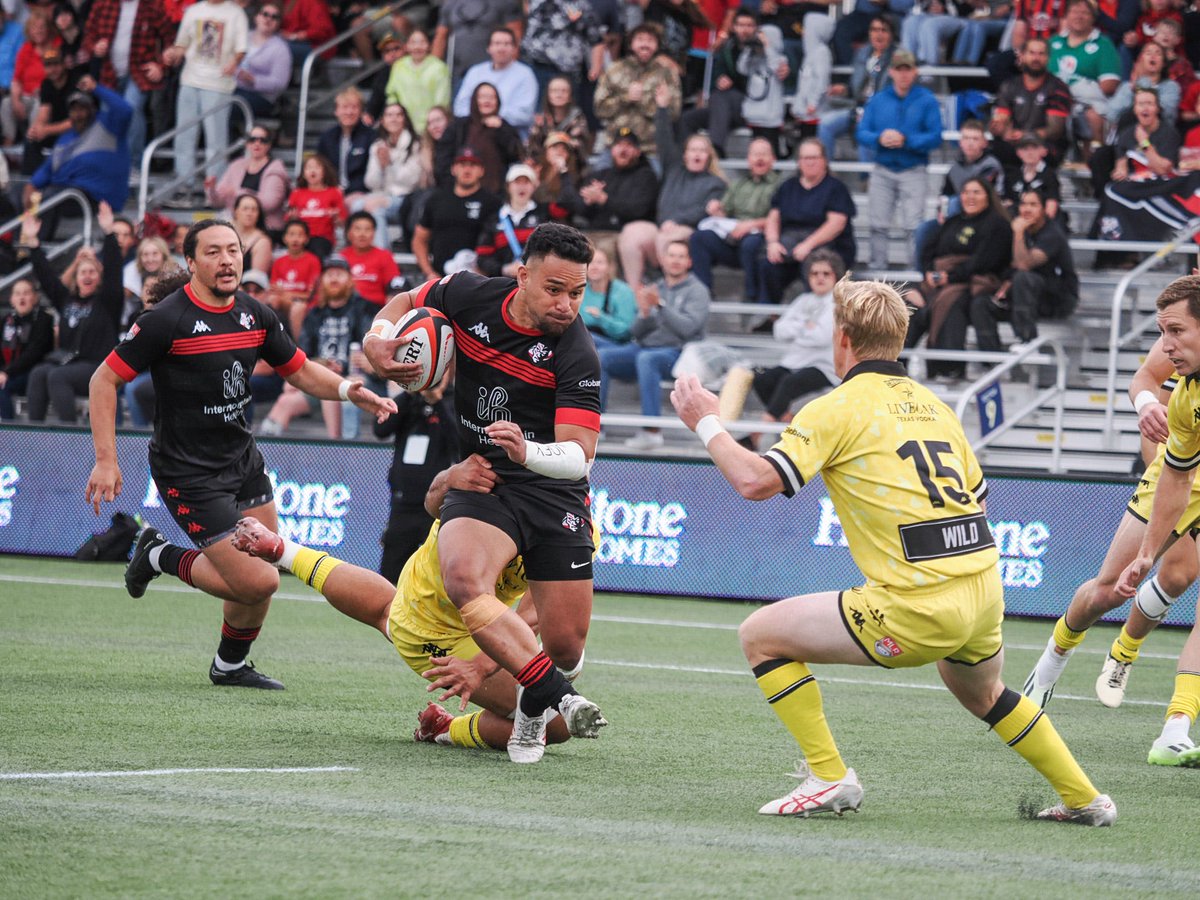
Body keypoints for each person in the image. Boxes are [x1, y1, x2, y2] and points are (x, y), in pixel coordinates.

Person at [668, 276, 1116, 825]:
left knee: (759, 635)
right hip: (982, 594)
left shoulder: (835, 407)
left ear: (843, 340)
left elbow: (757, 482)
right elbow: (976, 497)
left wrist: (705, 421)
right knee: (986, 694)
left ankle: (828, 775)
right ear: (899, 339)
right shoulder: (937, 407)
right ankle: (1085, 798)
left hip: (917, 605)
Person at [85, 219, 396, 690]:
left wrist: (350, 390)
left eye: (233, 249)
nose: (227, 260)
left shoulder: (254, 313)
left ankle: (230, 665)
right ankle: (159, 555)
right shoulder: (164, 320)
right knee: (260, 581)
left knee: (264, 564)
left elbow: (298, 370)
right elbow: (102, 380)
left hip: (241, 459)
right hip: (187, 472)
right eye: (213, 252)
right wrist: (107, 459)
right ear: (191, 263)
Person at [362, 223, 607, 764]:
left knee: (565, 644)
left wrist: (528, 451)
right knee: (463, 578)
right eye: (554, 290)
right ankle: (554, 693)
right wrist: (376, 340)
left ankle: (532, 697)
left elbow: (578, 455)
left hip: (554, 491)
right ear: (522, 276)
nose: (567, 304)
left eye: (578, 292)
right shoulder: (470, 293)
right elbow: (406, 298)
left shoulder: (577, 353)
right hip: (485, 476)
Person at [228, 459, 579, 752]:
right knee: (558, 722)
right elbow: (433, 498)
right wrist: (449, 476)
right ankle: (444, 729)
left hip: (434, 602)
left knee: (386, 610)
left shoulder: (574, 522)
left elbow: (535, 614)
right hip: (439, 630)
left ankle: (282, 550)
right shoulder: (487, 476)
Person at [1023, 286, 1200, 767]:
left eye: (1174, 331)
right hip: (1178, 467)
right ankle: (1047, 668)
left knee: (1181, 579)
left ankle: (1174, 725)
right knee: (1110, 589)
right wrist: (1147, 405)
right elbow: (1175, 465)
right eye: (1164, 332)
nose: (1167, 343)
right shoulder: (1183, 385)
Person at [599, 239, 711, 450]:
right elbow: (636, 333)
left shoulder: (698, 291)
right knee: (603, 356)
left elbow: (687, 329)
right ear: (662, 260)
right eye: (672, 256)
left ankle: (652, 430)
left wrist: (660, 305)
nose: (676, 261)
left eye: (681, 256)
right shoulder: (656, 287)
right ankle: (597, 426)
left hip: (679, 353)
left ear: (689, 262)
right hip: (646, 347)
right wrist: (643, 314)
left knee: (647, 359)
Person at [20, 202, 124, 423]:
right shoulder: (66, 300)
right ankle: (33, 434)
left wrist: (109, 233)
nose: (87, 275)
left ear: (99, 278)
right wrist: (33, 243)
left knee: (58, 376)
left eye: (92, 272)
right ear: (76, 278)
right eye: (82, 272)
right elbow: (47, 278)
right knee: (39, 373)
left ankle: (70, 436)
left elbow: (115, 273)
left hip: (101, 365)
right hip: (71, 362)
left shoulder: (108, 301)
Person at [617, 87, 726, 290]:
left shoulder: (716, 183)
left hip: (688, 231)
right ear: (685, 154)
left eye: (702, 151)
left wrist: (678, 221)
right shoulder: (674, 169)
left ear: (709, 156)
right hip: (662, 228)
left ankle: (669, 289)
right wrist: (662, 108)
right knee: (631, 232)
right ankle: (635, 292)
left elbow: (704, 211)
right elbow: (664, 140)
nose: (697, 154)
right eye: (693, 149)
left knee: (667, 236)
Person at [905, 177, 1013, 379]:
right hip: (939, 280)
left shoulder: (997, 225)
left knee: (950, 303)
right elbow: (929, 250)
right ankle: (895, 363)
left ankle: (947, 368)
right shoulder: (953, 221)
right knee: (908, 299)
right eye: (966, 192)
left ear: (988, 196)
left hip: (973, 282)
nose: (970, 197)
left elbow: (985, 260)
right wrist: (929, 272)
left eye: (976, 192)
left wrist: (951, 276)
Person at [259, 256, 375, 439]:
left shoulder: (364, 309)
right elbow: (304, 353)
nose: (334, 278)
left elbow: (369, 347)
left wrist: (344, 367)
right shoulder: (315, 314)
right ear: (322, 281)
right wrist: (320, 365)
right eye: (329, 274)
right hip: (321, 376)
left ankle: (335, 450)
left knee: (333, 390)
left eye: (339, 274)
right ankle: (265, 457)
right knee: (285, 401)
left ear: (350, 280)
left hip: (354, 377)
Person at [856, 49, 942, 271]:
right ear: (892, 72)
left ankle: (914, 272)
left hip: (913, 168)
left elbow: (935, 136)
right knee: (877, 224)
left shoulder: (927, 100)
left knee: (914, 225)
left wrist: (907, 140)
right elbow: (861, 132)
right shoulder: (878, 100)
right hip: (883, 168)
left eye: (908, 70)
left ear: (915, 72)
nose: (904, 75)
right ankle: (877, 269)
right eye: (899, 70)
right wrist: (880, 138)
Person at [744, 250, 842, 434]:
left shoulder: (838, 303)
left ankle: (757, 433)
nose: (820, 278)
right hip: (795, 361)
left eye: (826, 273)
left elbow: (821, 337)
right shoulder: (803, 300)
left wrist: (796, 328)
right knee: (760, 377)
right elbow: (779, 331)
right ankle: (787, 420)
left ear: (835, 276)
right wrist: (806, 325)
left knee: (789, 383)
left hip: (824, 366)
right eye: (815, 273)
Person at [374, 378, 460, 583]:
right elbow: (381, 430)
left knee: (438, 575)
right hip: (403, 501)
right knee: (390, 573)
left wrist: (437, 402)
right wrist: (410, 393)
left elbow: (459, 442)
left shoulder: (455, 400)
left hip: (438, 505)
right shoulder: (408, 401)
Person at [162, 0, 249, 204]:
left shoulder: (236, 13)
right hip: (190, 79)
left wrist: (234, 63)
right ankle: (184, 185)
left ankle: (215, 188)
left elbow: (242, 48)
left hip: (218, 83)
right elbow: (182, 44)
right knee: (184, 134)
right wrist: (173, 54)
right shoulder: (193, 10)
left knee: (215, 138)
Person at [971, 189, 1077, 352]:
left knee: (1023, 278)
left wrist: (1018, 233)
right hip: (1023, 296)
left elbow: (1023, 265)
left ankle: (1028, 341)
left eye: (1033, 204)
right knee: (981, 304)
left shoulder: (1052, 234)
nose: (1026, 209)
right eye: (1024, 204)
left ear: (1043, 209)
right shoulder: (1015, 228)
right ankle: (991, 362)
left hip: (1056, 298)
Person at [25, 80, 132, 239]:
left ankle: (34, 245)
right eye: (74, 110)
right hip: (66, 194)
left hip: (98, 199)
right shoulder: (64, 139)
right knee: (17, 195)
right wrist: (30, 188)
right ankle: (18, 250)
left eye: (83, 109)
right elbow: (44, 173)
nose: (78, 114)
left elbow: (125, 110)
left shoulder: (108, 126)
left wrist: (96, 88)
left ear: (92, 109)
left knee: (51, 196)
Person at [757, 139, 856, 305]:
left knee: (814, 262)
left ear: (824, 160)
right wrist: (773, 243)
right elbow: (773, 218)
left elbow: (836, 224)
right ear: (799, 162)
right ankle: (769, 314)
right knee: (768, 262)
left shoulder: (836, 188)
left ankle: (818, 314)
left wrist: (808, 245)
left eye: (814, 157)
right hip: (791, 243)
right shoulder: (788, 186)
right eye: (805, 158)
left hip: (829, 245)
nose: (809, 162)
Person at [689, 136, 780, 300]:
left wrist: (751, 225)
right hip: (734, 237)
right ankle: (702, 293)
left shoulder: (780, 186)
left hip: (761, 238)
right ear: (748, 159)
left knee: (750, 243)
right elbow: (725, 212)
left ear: (773, 159)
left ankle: (752, 295)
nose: (759, 158)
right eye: (755, 154)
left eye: (764, 154)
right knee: (699, 238)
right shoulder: (738, 184)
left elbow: (781, 218)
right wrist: (716, 209)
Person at [561, 127, 659, 269]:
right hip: (591, 232)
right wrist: (588, 202)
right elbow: (579, 210)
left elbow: (638, 210)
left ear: (637, 152)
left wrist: (604, 200)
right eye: (619, 145)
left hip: (620, 234)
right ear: (611, 150)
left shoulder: (645, 176)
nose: (623, 150)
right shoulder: (600, 175)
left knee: (601, 254)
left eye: (629, 146)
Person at [912, 119, 1004, 269]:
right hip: (956, 217)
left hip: (984, 217)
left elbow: (981, 197)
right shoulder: (955, 168)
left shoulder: (991, 165)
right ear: (960, 142)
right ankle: (923, 273)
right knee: (924, 228)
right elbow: (944, 195)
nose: (970, 143)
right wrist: (941, 212)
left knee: (956, 202)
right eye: (966, 138)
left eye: (975, 139)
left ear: (984, 143)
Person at [593, 23, 681, 159]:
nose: (645, 45)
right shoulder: (614, 70)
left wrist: (649, 103)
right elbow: (599, 109)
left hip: (651, 150)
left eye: (651, 40)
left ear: (657, 45)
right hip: (616, 147)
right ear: (631, 44)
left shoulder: (667, 74)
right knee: (596, 178)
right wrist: (626, 98)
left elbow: (674, 114)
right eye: (640, 40)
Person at [816, 14, 896, 163]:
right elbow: (856, 88)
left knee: (864, 128)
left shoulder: (897, 57)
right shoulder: (863, 53)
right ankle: (825, 172)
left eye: (883, 30)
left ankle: (866, 179)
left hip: (881, 112)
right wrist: (844, 89)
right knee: (825, 124)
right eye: (874, 30)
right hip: (856, 107)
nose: (878, 34)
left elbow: (896, 93)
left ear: (891, 35)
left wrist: (870, 110)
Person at [413, 147, 501, 280]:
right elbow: (419, 239)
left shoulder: (492, 203)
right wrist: (428, 272)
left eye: (473, 165)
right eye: (462, 165)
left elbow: (500, 241)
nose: (467, 170)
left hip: (478, 280)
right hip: (440, 279)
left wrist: (486, 271)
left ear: (481, 171)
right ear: (453, 169)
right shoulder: (436, 199)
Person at [988, 36, 1072, 167]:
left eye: (1041, 54)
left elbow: (1055, 130)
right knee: (996, 150)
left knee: (1041, 152)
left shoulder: (1058, 88)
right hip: (1015, 144)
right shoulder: (1009, 85)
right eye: (1031, 53)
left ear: (1048, 58)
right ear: (1022, 56)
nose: (1036, 58)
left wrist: (1026, 136)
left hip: (1045, 145)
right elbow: (1002, 118)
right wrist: (1001, 129)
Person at [1048, 0, 1121, 152]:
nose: (1079, 16)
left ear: (1093, 18)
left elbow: (1109, 85)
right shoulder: (1053, 42)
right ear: (1066, 16)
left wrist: (1073, 93)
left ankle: (1092, 163)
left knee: (1093, 116)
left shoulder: (1103, 44)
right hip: (1052, 100)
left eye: (1085, 13)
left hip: (1086, 101)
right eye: (1074, 12)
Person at [435, 81, 524, 194]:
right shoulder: (458, 127)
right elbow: (443, 160)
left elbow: (515, 155)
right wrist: (452, 187)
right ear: (474, 100)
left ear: (498, 101)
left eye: (491, 97)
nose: (487, 101)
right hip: (460, 193)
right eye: (482, 97)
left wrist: (501, 129)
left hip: (495, 194)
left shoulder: (505, 127)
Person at [452, 27, 538, 139]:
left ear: (514, 48)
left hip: (510, 137)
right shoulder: (475, 72)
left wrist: (492, 117)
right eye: (497, 43)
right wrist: (483, 119)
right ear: (489, 48)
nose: (501, 48)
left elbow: (525, 115)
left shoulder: (525, 74)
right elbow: (460, 108)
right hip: (474, 135)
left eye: (506, 44)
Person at [206, 124, 291, 235]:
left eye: (263, 140)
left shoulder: (276, 169)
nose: (257, 143)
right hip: (238, 227)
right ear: (247, 143)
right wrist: (212, 190)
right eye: (252, 139)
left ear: (269, 145)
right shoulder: (236, 165)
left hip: (267, 228)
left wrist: (237, 193)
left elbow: (269, 204)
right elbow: (217, 202)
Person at [361, 103, 425, 249]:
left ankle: (382, 255)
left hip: (406, 199)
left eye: (398, 115)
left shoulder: (415, 144)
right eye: (389, 115)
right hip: (382, 195)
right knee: (357, 206)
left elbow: (411, 182)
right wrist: (381, 167)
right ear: (382, 121)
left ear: (405, 119)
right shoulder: (377, 145)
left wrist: (390, 164)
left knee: (376, 211)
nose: (394, 119)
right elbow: (371, 183)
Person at [475, 163, 553, 278]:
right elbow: (482, 257)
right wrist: (503, 269)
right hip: (504, 284)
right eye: (517, 182)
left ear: (534, 186)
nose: (522, 187)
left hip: (537, 281)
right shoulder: (494, 220)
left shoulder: (544, 215)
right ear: (508, 186)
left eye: (526, 182)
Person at [433, 0, 524, 90]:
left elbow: (515, 35)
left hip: (493, 73)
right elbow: (441, 37)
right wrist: (434, 69)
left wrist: (511, 71)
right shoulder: (451, 4)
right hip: (458, 73)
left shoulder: (506, 3)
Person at [0, 277, 54, 420]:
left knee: (2, 388)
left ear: (35, 297)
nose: (22, 297)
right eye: (17, 294)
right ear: (11, 299)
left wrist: (6, 372)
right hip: (9, 372)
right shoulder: (6, 321)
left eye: (26, 293)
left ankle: (8, 434)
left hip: (34, 373)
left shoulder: (43, 319)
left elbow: (34, 353)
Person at [233, 2, 292, 129]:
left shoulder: (281, 48)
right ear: (256, 17)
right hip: (233, 88)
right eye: (265, 14)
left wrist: (254, 80)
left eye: (274, 17)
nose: (268, 19)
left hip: (261, 97)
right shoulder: (243, 37)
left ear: (278, 23)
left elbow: (280, 83)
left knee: (230, 105)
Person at [384, 28, 450, 135]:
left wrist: (432, 122)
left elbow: (442, 102)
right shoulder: (398, 66)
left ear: (429, 45)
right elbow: (392, 95)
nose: (417, 47)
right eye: (413, 42)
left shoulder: (439, 68)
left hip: (430, 128)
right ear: (406, 46)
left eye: (422, 42)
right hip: (404, 127)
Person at [315, 87, 375, 201]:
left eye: (354, 107)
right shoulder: (327, 137)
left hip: (360, 194)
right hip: (330, 192)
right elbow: (321, 167)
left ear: (361, 111)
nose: (349, 112)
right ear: (336, 111)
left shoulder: (370, 137)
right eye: (344, 107)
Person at [287, 153, 347, 260]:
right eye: (309, 167)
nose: (312, 170)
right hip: (300, 237)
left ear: (324, 172)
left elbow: (342, 221)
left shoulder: (334, 192)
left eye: (317, 167)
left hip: (323, 238)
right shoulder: (297, 193)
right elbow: (289, 219)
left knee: (316, 249)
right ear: (304, 173)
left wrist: (335, 217)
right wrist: (293, 218)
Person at [269, 219, 322, 333]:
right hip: (283, 301)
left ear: (306, 239)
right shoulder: (279, 262)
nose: (295, 239)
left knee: (298, 307)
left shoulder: (312, 260)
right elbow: (274, 289)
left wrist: (289, 295)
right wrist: (285, 295)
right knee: (271, 300)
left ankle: (299, 345)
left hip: (303, 303)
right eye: (291, 234)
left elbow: (311, 294)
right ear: (284, 238)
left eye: (300, 235)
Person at [339, 211, 400, 308]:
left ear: (374, 232)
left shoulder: (384, 256)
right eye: (357, 229)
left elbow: (394, 286)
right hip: (346, 309)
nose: (362, 234)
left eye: (367, 229)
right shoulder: (341, 257)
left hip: (375, 309)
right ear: (349, 233)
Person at [526, 75, 592, 163]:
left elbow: (581, 150)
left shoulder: (578, 118)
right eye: (554, 91)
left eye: (564, 91)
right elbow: (532, 150)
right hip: (545, 165)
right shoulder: (541, 119)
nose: (559, 95)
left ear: (570, 96)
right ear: (548, 95)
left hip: (571, 165)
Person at [581, 246, 636, 348]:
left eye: (600, 262)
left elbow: (626, 331)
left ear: (610, 267)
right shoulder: (580, 290)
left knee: (586, 339)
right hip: (585, 341)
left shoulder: (623, 291)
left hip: (618, 345)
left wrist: (601, 318)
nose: (594, 267)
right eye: (590, 262)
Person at [230, 192, 273, 275]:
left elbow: (256, 281)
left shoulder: (263, 242)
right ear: (236, 211)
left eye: (254, 210)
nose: (249, 213)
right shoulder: (226, 235)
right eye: (245, 209)